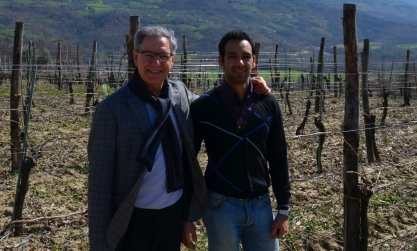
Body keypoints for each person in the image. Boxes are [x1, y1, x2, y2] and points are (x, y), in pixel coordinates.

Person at [88, 26, 270, 251]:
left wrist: (248, 86)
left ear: (172, 60)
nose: (156, 63)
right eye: (148, 55)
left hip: (171, 215)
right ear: (136, 57)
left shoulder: (179, 94)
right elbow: (98, 187)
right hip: (131, 220)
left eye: (163, 56)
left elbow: (216, 104)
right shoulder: (112, 109)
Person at [187, 30, 291, 251]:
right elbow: (189, 163)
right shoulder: (203, 107)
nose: (239, 62)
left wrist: (283, 209)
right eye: (232, 56)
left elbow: (279, 157)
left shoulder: (268, 104)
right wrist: (187, 215)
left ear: (254, 61)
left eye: (245, 56)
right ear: (220, 61)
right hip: (220, 206)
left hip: (262, 205)